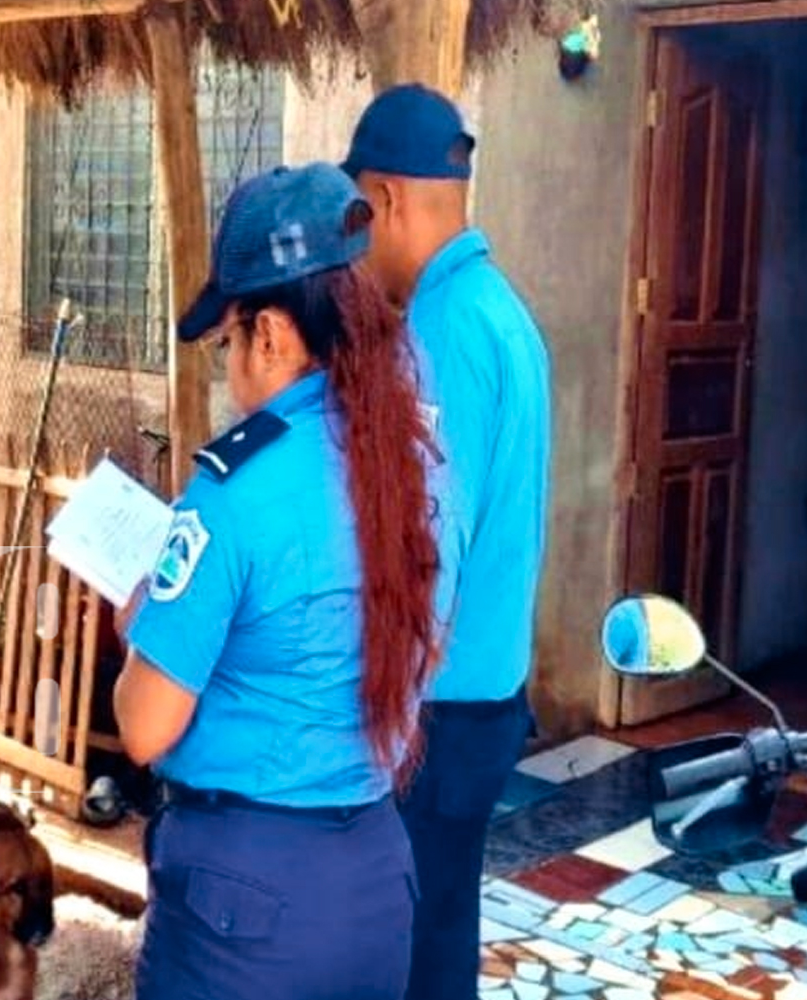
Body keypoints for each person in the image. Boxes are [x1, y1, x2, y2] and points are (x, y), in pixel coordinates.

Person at [112, 162, 466, 1000]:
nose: (230, 361)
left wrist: (145, 623)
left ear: (271, 333)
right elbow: (428, 658)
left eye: (229, 339)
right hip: (377, 883)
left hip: (245, 910)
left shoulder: (234, 490)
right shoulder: (423, 470)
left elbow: (144, 728)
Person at [342, 83, 553, 1000]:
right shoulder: (506, 312)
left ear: (388, 197)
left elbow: (429, 549)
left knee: (400, 962)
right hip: (486, 701)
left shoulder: (440, 328)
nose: (353, 247)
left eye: (357, 214)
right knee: (441, 944)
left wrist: (380, 731)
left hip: (434, 720)